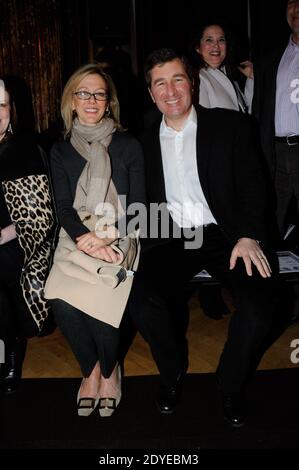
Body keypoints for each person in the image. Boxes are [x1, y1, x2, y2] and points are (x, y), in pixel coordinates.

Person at [129, 48, 279, 427]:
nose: (171, 90)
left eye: (178, 79)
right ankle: (172, 370)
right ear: (151, 93)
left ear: (191, 83)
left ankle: (229, 382)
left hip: (224, 235)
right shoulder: (141, 142)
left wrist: (248, 235)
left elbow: (253, 187)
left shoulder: (229, 127)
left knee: (262, 305)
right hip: (171, 236)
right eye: (160, 83)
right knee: (141, 299)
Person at [44, 64, 145, 417]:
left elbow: (138, 206)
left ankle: (108, 370)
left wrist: (108, 235)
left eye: (99, 94)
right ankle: (89, 370)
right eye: (83, 93)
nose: (91, 100)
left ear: (108, 102)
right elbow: (62, 207)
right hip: (77, 234)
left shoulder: (128, 145)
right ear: (72, 101)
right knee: (60, 299)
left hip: (120, 230)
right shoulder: (60, 150)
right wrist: (85, 238)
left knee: (104, 298)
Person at [192, 21, 254, 319]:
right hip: (217, 165)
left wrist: (251, 81)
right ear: (197, 47)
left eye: (221, 40)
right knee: (214, 229)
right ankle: (210, 293)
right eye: (208, 40)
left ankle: (225, 291)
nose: (216, 46)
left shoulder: (227, 76)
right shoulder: (200, 78)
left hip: (235, 161)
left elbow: (246, 117)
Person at [0, 76, 56, 394]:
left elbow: (39, 218)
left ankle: (10, 348)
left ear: (12, 109)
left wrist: (4, 235)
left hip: (20, 244)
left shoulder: (25, 150)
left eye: (2, 104)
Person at [252, 0, 299, 321]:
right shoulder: (270, 60)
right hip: (276, 153)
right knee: (270, 228)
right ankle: (271, 302)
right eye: (292, 3)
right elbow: (259, 113)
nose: (297, 9)